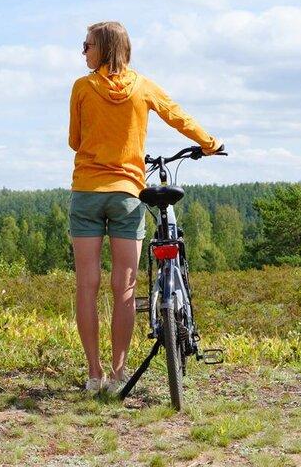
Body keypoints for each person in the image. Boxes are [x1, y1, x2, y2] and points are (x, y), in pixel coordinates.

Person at [67, 21, 221, 395]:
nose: (82, 51)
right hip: (127, 196)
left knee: (87, 286)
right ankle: (119, 375)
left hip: (87, 192)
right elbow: (177, 115)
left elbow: (74, 141)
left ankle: (93, 374)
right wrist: (210, 142)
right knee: (125, 287)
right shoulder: (144, 86)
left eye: (86, 45)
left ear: (102, 49)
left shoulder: (83, 88)